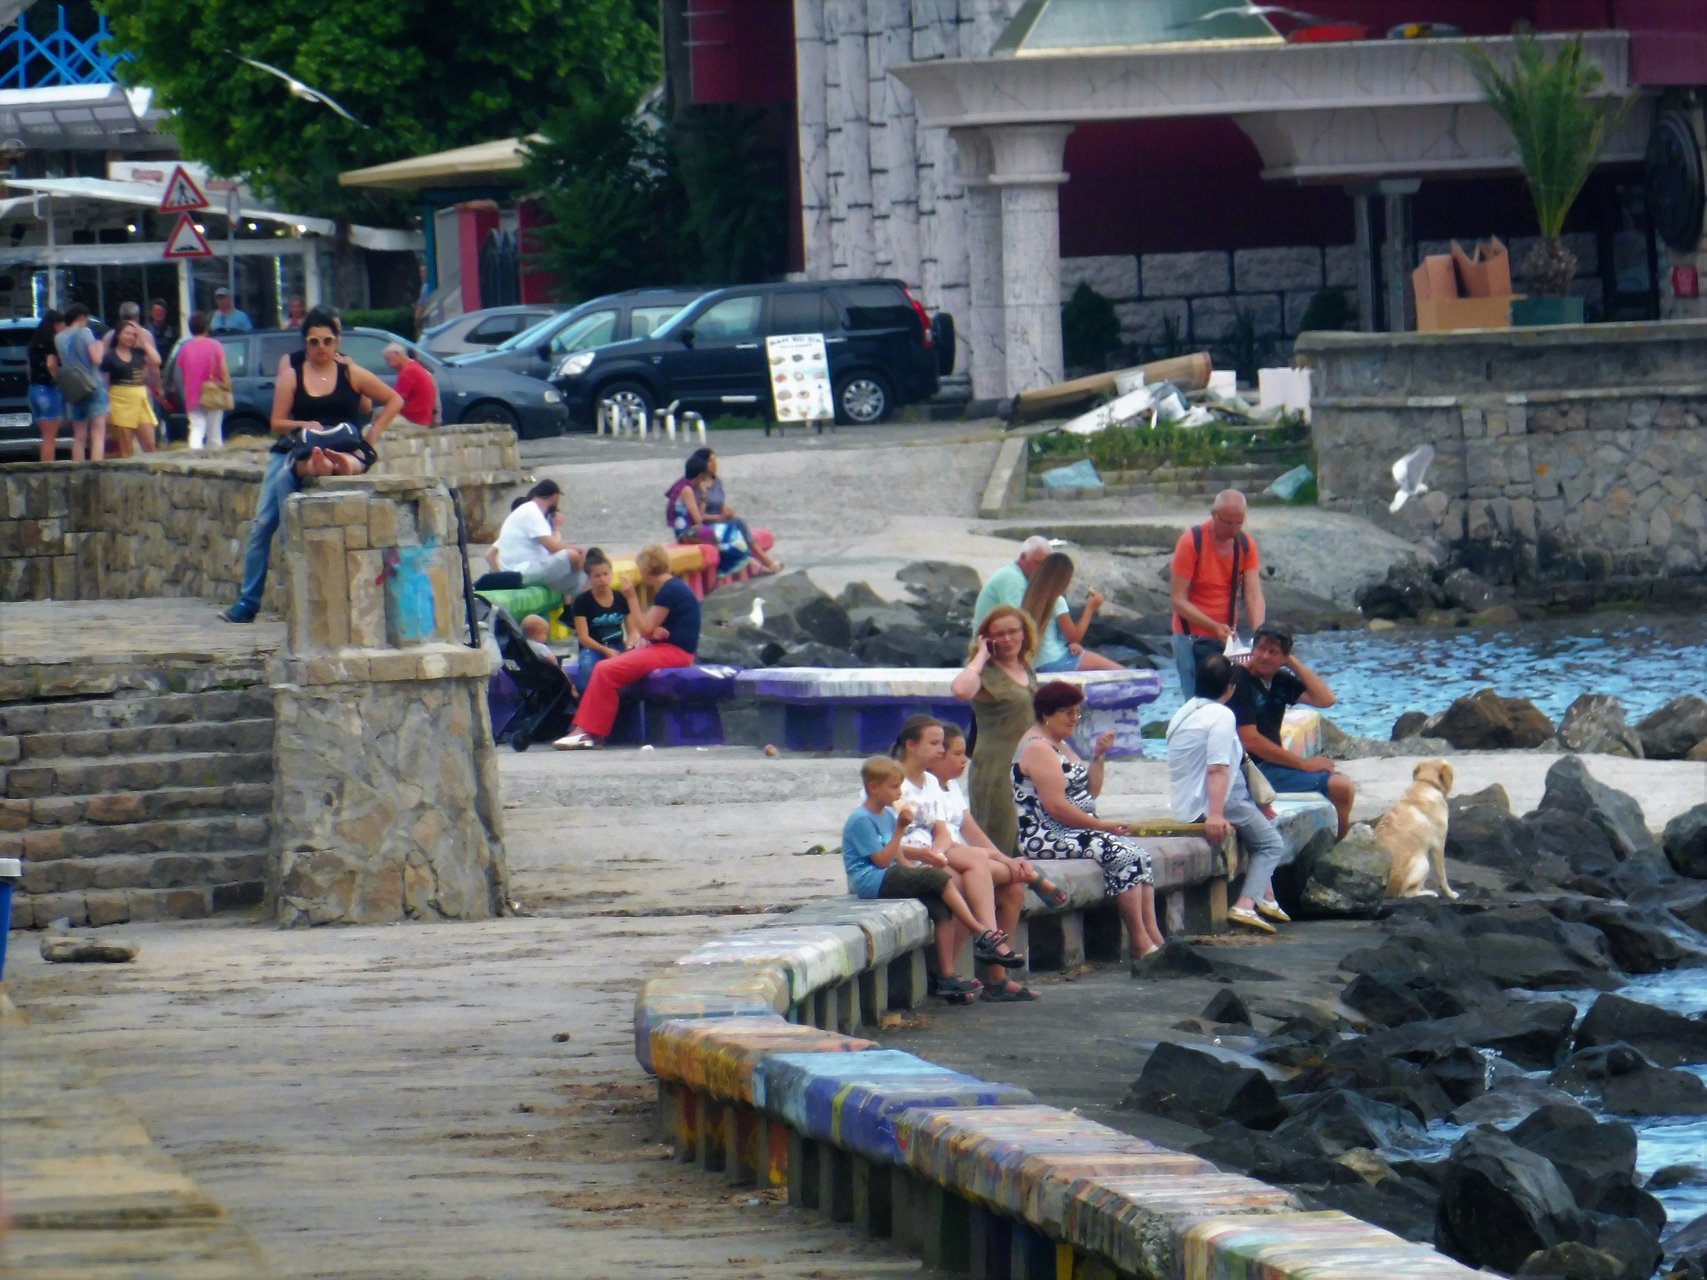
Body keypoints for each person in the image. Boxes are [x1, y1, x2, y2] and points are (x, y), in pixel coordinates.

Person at [220, 308, 403, 624]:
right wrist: (305, 424)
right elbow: (277, 422)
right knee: (263, 523)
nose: (321, 347)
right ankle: (248, 601)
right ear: (305, 342)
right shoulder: (292, 371)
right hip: (295, 447)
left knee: (344, 464)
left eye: (328, 340)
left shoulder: (349, 370)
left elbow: (388, 400)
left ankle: (329, 465)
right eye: (314, 341)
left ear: (337, 340)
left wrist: (373, 432)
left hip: (341, 445)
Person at [894, 715, 1058, 1000]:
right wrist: (934, 854)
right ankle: (959, 964)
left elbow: (947, 832)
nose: (943, 752)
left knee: (1010, 886)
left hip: (942, 854)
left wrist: (941, 853)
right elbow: (887, 838)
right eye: (936, 745)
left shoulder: (932, 783)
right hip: (913, 859)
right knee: (964, 881)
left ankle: (994, 973)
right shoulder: (893, 782)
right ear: (911, 745)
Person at [843, 755, 1027, 1002]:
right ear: (874, 787)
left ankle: (947, 977)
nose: (899, 793)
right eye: (894, 787)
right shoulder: (861, 819)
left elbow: (898, 858)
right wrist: (901, 830)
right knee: (939, 878)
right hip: (870, 880)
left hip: (888, 874)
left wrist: (912, 872)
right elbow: (882, 860)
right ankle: (980, 931)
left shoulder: (886, 816)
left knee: (941, 907)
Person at [1013, 681, 1165, 967]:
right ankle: (1139, 941)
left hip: (1075, 829)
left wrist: (1098, 754)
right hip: (1046, 833)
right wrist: (1103, 827)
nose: (1075, 718)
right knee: (1123, 855)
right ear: (1046, 713)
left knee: (1140, 856)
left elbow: (1090, 792)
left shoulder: (1061, 744)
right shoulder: (1037, 748)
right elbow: (1056, 807)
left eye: (1077, 712)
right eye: (1067, 712)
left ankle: (1154, 936)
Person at [1166, 653, 1292, 934]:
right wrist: (1215, 815)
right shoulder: (1222, 715)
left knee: (1259, 825)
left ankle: (1267, 898)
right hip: (1216, 801)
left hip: (1185, 801)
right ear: (1230, 687)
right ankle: (1245, 905)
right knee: (1271, 844)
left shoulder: (1184, 711)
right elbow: (1217, 769)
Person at [553, 545, 695, 750]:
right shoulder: (673, 587)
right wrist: (653, 632)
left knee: (605, 669)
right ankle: (585, 729)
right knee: (605, 667)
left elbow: (644, 628)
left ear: (646, 569)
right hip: (669, 648)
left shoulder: (669, 590)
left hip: (674, 652)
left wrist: (631, 597)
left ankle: (588, 731)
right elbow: (653, 628)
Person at [1231, 621, 1357, 838]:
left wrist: (1291, 662)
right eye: (1260, 649)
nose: (1264, 656)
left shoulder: (1279, 680)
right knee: (1341, 788)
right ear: (1252, 649)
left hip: (1272, 766)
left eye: (1273, 652)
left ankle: (1333, 841)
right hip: (1249, 770)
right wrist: (1304, 764)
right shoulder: (1238, 679)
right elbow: (1250, 740)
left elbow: (1326, 699)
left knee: (1334, 779)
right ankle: (1340, 844)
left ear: (1284, 657)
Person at [951, 605, 1037, 857]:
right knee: (999, 841)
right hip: (996, 769)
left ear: (1024, 633)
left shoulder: (1025, 668)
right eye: (999, 634)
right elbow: (961, 690)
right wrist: (980, 655)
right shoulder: (985, 673)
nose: (1007, 639)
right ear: (987, 638)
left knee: (1026, 841)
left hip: (1029, 767)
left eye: (1013, 631)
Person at [1170, 489, 1266, 698]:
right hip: (1190, 639)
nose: (1234, 529)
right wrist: (1213, 626)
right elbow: (1178, 600)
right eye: (1228, 523)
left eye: (1239, 523)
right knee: (1197, 702)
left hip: (1225, 639)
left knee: (1231, 700)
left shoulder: (1245, 544)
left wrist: (1261, 635)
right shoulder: (1191, 542)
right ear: (1214, 514)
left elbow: (1253, 595)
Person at [1020, 551, 1122, 674]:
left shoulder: (1029, 595)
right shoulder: (1057, 601)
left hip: (1036, 664)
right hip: (1056, 661)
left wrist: (1066, 645)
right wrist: (1090, 609)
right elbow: (1075, 637)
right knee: (1121, 672)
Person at [687, 447, 781, 574]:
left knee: (737, 522)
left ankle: (757, 563)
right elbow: (699, 517)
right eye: (710, 461)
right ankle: (764, 562)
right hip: (707, 524)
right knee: (737, 525)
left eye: (715, 460)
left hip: (720, 520)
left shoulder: (716, 482)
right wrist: (720, 516)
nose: (714, 464)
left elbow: (721, 504)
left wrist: (727, 512)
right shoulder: (696, 485)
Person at [488, 479, 585, 597]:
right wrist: (577, 548)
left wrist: (556, 530)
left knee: (578, 578)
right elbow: (553, 548)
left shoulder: (532, 512)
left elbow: (550, 550)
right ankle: (583, 596)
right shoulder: (531, 511)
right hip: (521, 571)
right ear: (555, 497)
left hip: (526, 569)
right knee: (572, 555)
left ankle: (582, 599)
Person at [667, 454, 750, 580]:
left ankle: (727, 569)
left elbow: (698, 517)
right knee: (728, 533)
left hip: (689, 530)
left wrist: (704, 495)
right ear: (700, 475)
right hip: (686, 533)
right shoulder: (687, 490)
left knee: (727, 531)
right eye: (703, 478)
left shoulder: (682, 485)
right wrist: (704, 496)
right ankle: (724, 569)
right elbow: (698, 519)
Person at [568, 548, 634, 691]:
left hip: (618, 645)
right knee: (588, 667)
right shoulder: (582, 601)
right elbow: (583, 637)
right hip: (593, 648)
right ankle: (584, 699)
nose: (603, 579)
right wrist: (605, 650)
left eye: (605, 574)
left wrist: (629, 646)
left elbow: (632, 631)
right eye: (597, 576)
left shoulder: (620, 598)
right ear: (590, 578)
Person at [53, 304, 109, 462]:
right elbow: (96, 359)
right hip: (92, 385)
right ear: (82, 317)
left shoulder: (59, 338)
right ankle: (96, 467)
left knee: (79, 436)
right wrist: (100, 347)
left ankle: (77, 468)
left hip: (74, 389)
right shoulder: (85, 332)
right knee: (98, 432)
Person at [101, 320, 161, 457]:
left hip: (139, 399)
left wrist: (144, 341)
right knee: (126, 447)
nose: (131, 337)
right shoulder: (110, 356)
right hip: (120, 400)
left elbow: (156, 361)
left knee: (150, 444)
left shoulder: (139, 353)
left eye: (134, 335)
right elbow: (104, 379)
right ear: (118, 335)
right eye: (127, 333)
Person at [175, 313, 230, 450]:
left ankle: (194, 455)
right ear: (206, 327)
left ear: (190, 328)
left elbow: (181, 372)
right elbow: (223, 369)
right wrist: (227, 385)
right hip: (213, 392)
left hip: (192, 393)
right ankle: (215, 459)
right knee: (214, 432)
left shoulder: (184, 348)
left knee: (196, 427)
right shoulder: (215, 345)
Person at [972, 535, 1051, 629]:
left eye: (1046, 565)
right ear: (1023, 557)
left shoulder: (1018, 574)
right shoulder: (1012, 578)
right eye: (1038, 563)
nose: (1042, 569)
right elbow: (1016, 619)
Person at [26, 311, 66, 462]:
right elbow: (50, 364)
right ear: (56, 324)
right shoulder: (52, 342)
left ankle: (44, 464)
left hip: (34, 390)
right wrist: (59, 380)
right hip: (48, 390)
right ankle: (48, 467)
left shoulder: (33, 344)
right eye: (62, 325)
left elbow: (28, 369)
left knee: (44, 436)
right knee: (50, 438)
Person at [382, 342, 438, 428]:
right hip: (423, 417)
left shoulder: (408, 372)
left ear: (397, 354)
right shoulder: (414, 366)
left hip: (414, 419)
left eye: (388, 359)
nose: (388, 365)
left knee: (379, 415)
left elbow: (396, 400)